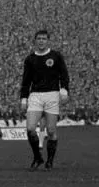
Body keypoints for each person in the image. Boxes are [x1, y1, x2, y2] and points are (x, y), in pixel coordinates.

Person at [19, 28, 70, 170]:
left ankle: (50, 160)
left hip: (52, 95)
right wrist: (23, 98)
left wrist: (64, 89)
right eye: (39, 39)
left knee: (51, 130)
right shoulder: (30, 59)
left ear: (48, 41)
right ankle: (37, 157)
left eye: (44, 39)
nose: (41, 41)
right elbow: (26, 80)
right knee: (30, 128)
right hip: (35, 95)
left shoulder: (56, 56)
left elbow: (64, 74)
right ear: (35, 41)